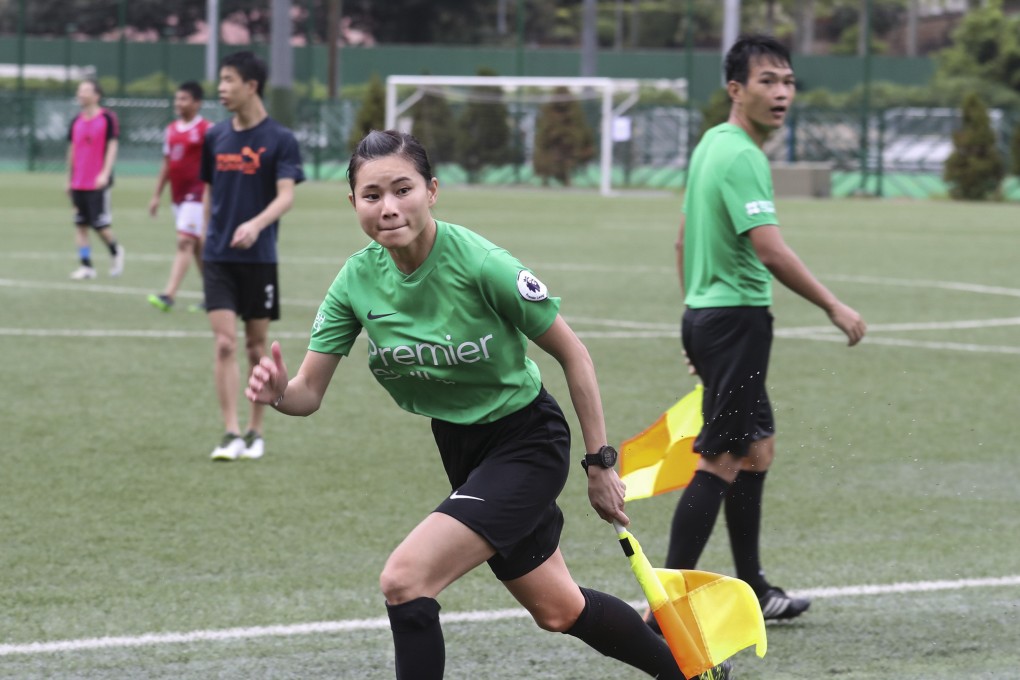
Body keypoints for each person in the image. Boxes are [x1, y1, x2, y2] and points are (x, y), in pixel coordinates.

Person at [245, 130, 730, 680]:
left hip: (527, 441)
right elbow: (307, 394)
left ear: (432, 190)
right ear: (353, 202)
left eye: (403, 189)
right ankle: (693, 675)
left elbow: (575, 356)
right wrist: (277, 392)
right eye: (372, 195)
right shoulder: (356, 281)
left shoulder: (482, 263)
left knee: (405, 579)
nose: (389, 207)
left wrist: (600, 464)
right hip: (462, 449)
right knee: (559, 609)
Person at [658, 34, 867, 624]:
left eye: (788, 81)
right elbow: (770, 251)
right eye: (768, 82)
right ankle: (667, 610)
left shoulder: (712, 145)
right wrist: (834, 306)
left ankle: (754, 587)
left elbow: (681, 239)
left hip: (712, 317)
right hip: (737, 321)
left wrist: (691, 320)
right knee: (722, 457)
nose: (781, 93)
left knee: (756, 451)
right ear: (735, 89)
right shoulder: (742, 155)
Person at [201, 51, 305, 461]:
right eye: (221, 80)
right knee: (225, 343)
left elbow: (286, 197)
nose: (221, 88)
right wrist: (211, 232)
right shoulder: (215, 137)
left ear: (251, 86)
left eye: (228, 80)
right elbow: (210, 191)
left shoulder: (280, 139)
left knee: (255, 346)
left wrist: (255, 225)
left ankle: (255, 430)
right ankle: (229, 432)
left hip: (259, 257)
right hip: (218, 258)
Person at [148, 81, 212, 312]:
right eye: (177, 99)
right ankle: (214, 295)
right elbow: (167, 164)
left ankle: (168, 295)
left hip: (197, 195)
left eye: (184, 99)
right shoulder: (172, 129)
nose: (178, 103)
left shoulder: (207, 129)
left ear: (197, 103)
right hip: (178, 196)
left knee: (185, 241)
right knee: (197, 248)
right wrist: (156, 195)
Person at [66, 78, 125, 280]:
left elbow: (112, 146)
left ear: (96, 95)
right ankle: (86, 266)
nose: (80, 94)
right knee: (80, 225)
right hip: (78, 183)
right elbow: (72, 150)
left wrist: (105, 173)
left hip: (97, 182)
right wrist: (69, 179)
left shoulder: (107, 118)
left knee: (100, 226)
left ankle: (116, 251)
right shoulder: (75, 121)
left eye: (85, 90)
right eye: (79, 90)